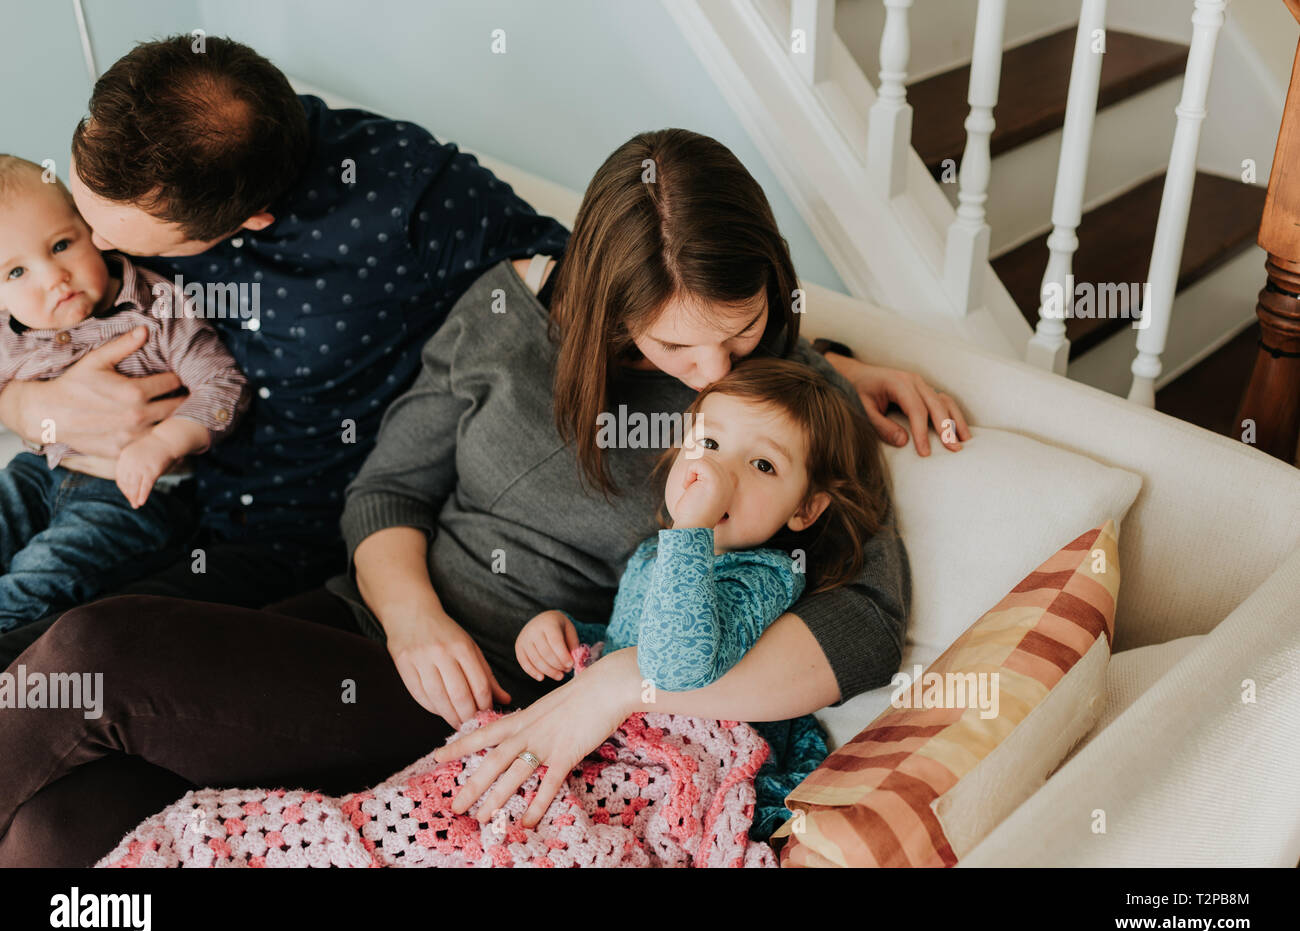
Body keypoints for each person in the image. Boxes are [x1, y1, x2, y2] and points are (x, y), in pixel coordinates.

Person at [0, 129, 970, 866]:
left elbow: (864, 628)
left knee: (96, 647)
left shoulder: (791, 408)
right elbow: (386, 492)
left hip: (506, 703)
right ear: (596, 293)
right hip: (369, 628)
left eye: (743, 327)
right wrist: (414, 617)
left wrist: (621, 681)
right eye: (672, 347)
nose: (712, 368)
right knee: (66, 818)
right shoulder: (510, 308)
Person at [0, 34, 569, 666]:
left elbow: (578, 283)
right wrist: (27, 405)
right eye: (81, 218)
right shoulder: (135, 161)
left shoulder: (411, 199)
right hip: (114, 475)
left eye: (108, 236)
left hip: (282, 529)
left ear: (244, 224)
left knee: (62, 655)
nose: (92, 247)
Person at [515, 357, 892, 838]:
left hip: (677, 769)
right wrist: (564, 633)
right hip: (604, 745)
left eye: (762, 464)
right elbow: (628, 645)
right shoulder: (655, 553)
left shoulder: (766, 576)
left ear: (804, 508)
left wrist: (690, 528)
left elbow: (672, 667)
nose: (718, 472)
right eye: (709, 443)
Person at [0, 155, 248, 632]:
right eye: (16, 273)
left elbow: (223, 386)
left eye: (61, 244)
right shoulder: (9, 331)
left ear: (90, 228)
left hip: (134, 492)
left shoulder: (158, 307)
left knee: (45, 573)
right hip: (37, 471)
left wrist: (165, 441)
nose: (53, 277)